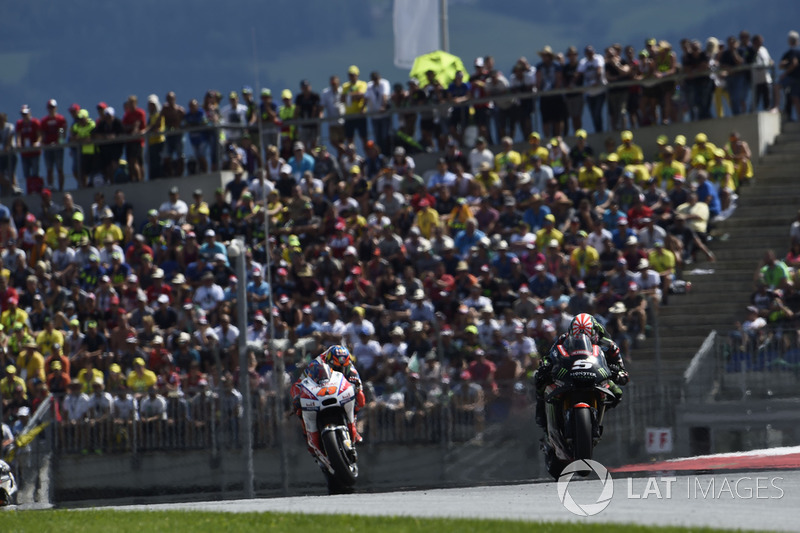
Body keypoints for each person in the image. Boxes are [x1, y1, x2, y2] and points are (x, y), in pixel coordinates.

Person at [533, 312, 629, 429]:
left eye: (587, 335)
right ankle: (541, 416)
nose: (582, 338)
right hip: (567, 374)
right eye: (577, 335)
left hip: (597, 377)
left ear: (594, 332)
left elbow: (621, 367)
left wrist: (619, 373)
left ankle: (597, 414)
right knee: (540, 380)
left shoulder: (609, 345)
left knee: (617, 392)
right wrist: (546, 366)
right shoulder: (563, 339)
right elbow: (550, 356)